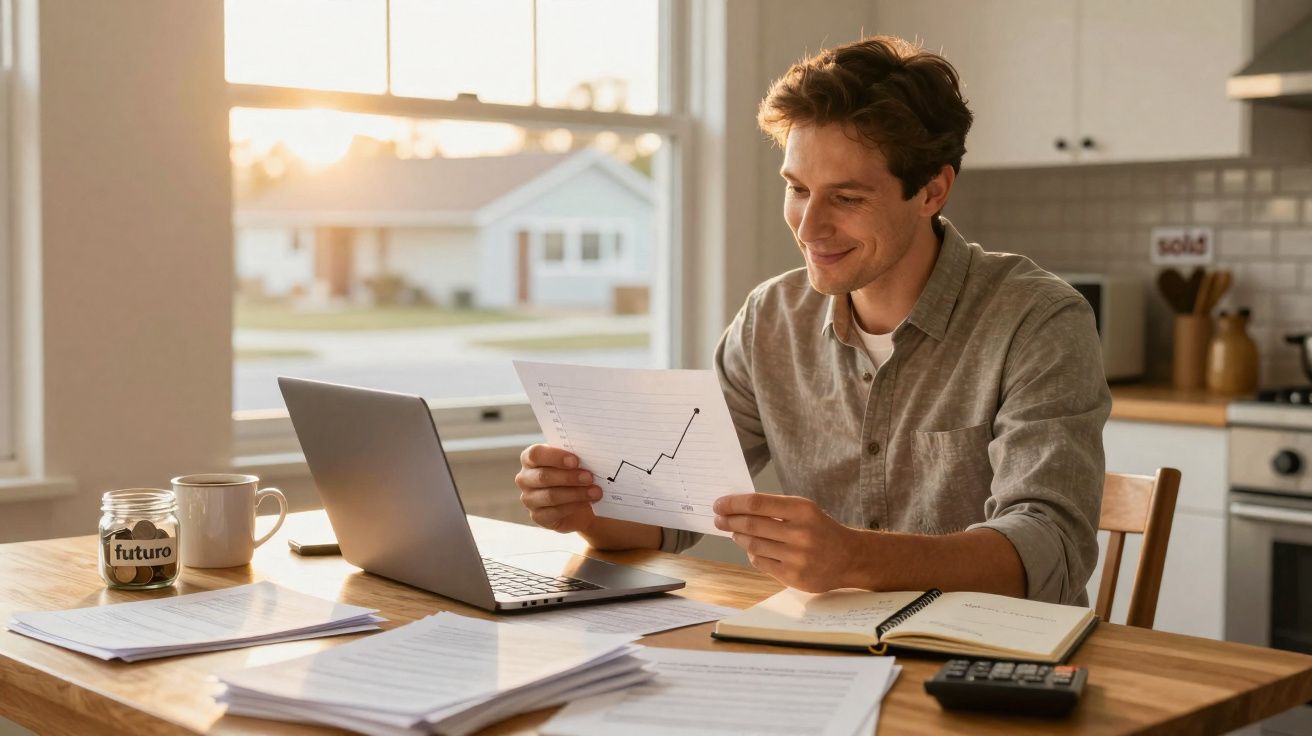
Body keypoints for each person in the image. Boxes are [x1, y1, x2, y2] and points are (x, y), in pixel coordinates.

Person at [514, 36, 1109, 606]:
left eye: (847, 199)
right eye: (797, 189)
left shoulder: (1037, 320)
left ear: (932, 191)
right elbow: (670, 517)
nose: (809, 227)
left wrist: (856, 559)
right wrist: (587, 511)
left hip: (993, 666)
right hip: (828, 658)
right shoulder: (769, 321)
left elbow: (1049, 548)